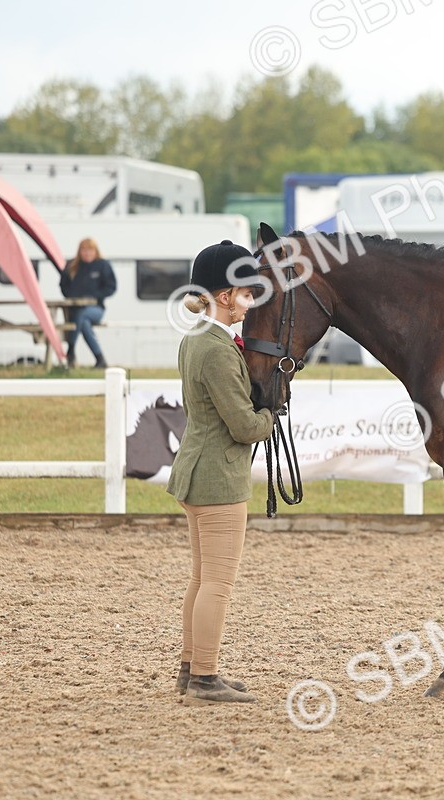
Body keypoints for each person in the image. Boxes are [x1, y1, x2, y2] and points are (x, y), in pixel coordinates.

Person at [167, 240, 274, 705]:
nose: (251, 304)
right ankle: (205, 678)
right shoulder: (217, 349)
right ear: (226, 295)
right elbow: (245, 426)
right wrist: (274, 412)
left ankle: (192, 668)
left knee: (201, 576)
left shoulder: (195, 339)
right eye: (247, 294)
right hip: (218, 478)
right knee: (218, 581)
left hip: (196, 470)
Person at [59, 238, 116, 369]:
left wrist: (95, 296)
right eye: (84, 250)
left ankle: (71, 350)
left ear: (95, 251)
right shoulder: (72, 266)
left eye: (90, 250)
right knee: (83, 323)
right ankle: (100, 359)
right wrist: (72, 296)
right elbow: (63, 286)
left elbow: (111, 287)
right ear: (79, 251)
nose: (87, 253)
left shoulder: (103, 265)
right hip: (74, 309)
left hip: (96, 309)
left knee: (82, 315)